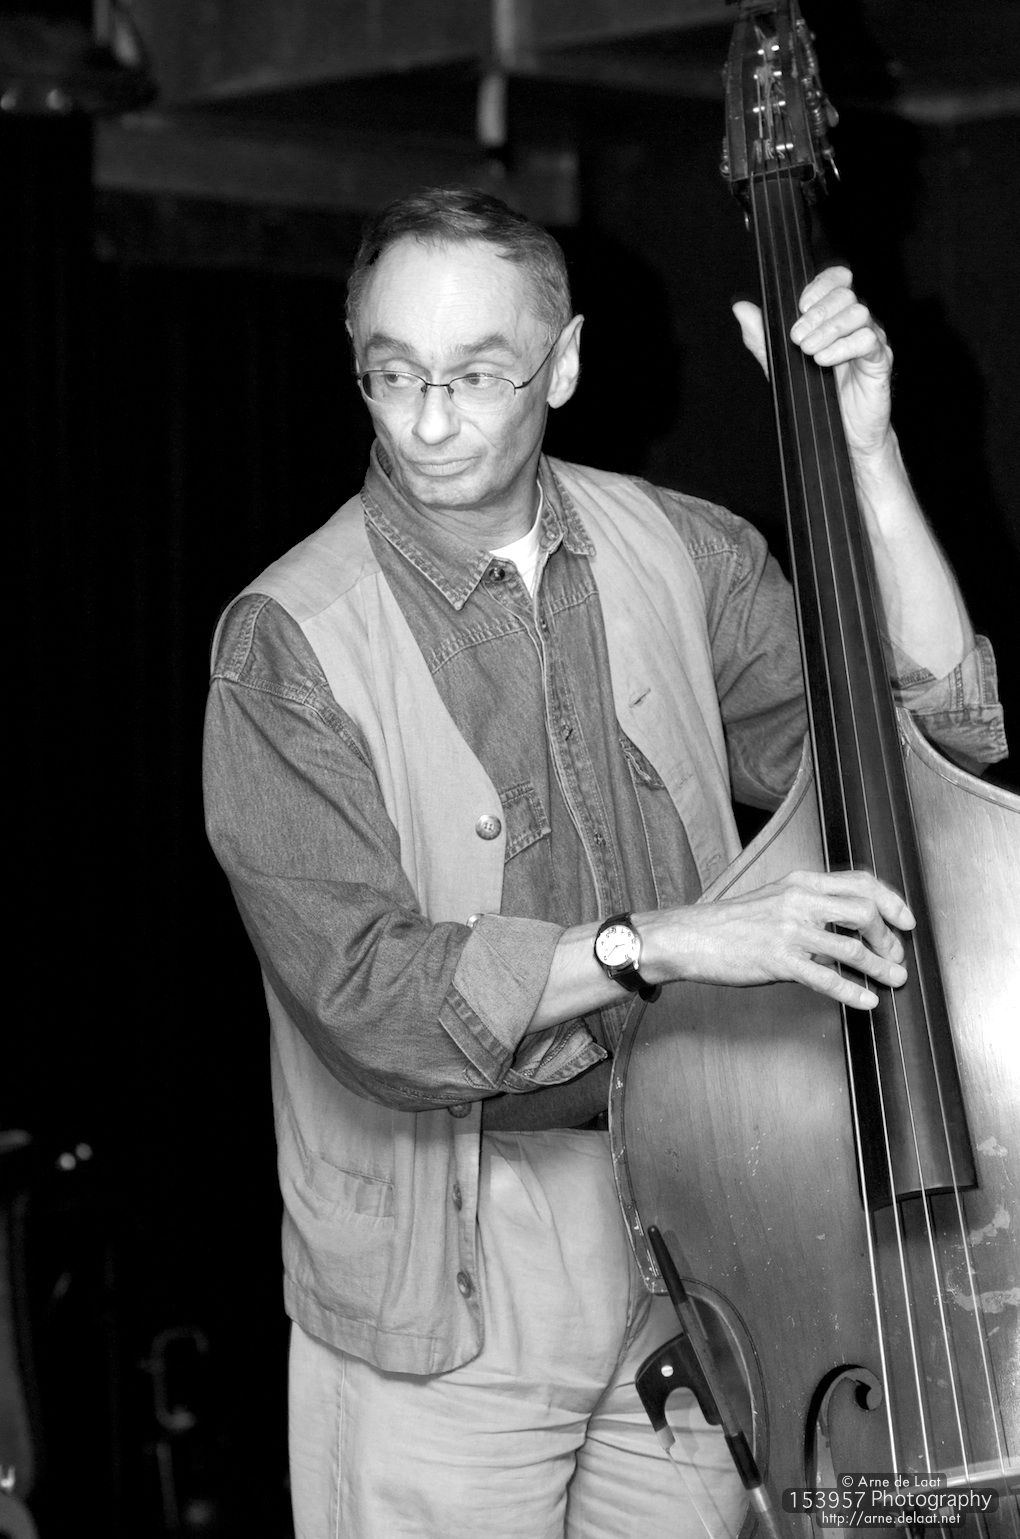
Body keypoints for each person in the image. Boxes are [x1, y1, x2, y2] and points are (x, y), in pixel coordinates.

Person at [202, 188, 1005, 1539]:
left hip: (701, 1220)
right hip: (453, 1259)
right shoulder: (283, 642)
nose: (430, 420)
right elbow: (368, 999)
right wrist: (665, 942)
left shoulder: (686, 549)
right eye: (393, 373)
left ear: (564, 363)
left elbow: (924, 747)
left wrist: (866, 455)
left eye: (479, 374)